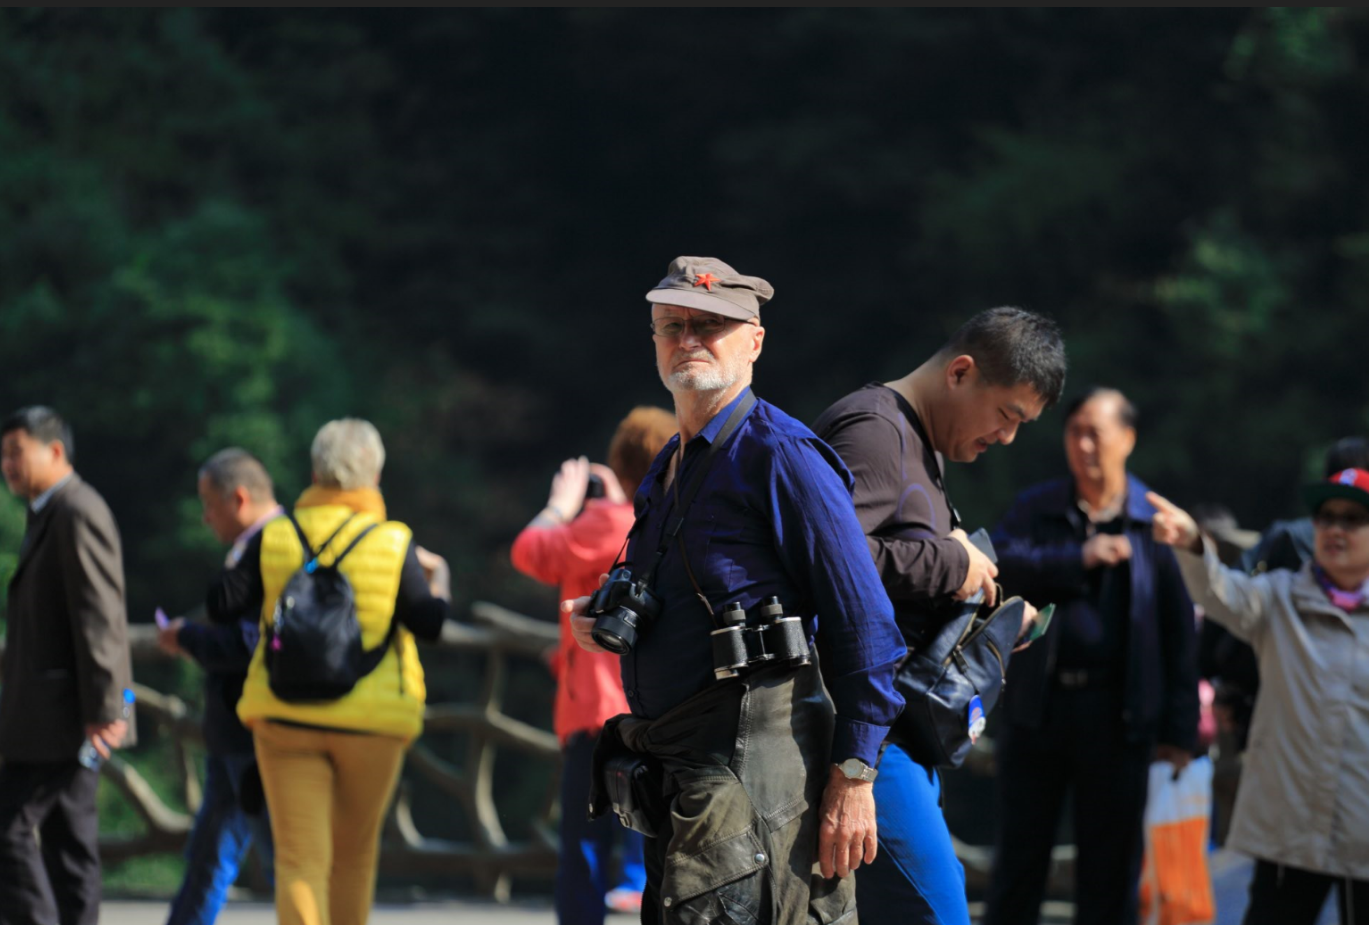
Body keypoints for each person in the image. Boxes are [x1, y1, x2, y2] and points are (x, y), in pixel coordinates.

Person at [565, 256, 907, 925]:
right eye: (672, 325)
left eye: (708, 325)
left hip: (757, 784)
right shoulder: (670, 463)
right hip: (685, 783)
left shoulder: (782, 456)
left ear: (753, 340)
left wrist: (855, 775)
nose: (687, 338)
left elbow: (865, 622)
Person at [812, 306, 1066, 924]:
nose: (1007, 436)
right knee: (940, 914)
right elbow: (818, 560)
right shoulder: (875, 432)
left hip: (898, 735)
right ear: (960, 372)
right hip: (868, 738)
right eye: (1007, 414)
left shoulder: (919, 444)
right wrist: (952, 566)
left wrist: (982, 608)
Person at [215, 418, 452, 925]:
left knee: (299, 859)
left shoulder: (275, 535)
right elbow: (429, 625)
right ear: (374, 476)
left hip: (284, 719)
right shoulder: (393, 542)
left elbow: (222, 604)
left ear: (315, 471)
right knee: (354, 857)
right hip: (373, 724)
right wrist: (441, 583)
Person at [982, 387, 1199, 925]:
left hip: (1119, 718)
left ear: (1127, 440)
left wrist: (1179, 733)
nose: (1081, 444)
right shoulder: (1040, 508)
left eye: (1094, 433)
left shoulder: (1153, 523)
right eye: (1073, 431)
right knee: (1018, 861)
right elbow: (998, 561)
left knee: (1110, 872)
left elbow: (1179, 635)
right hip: (1039, 710)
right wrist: (1078, 556)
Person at [1149, 469, 1369, 925]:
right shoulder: (1280, 598)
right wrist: (1194, 546)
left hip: (1362, 834)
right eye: (1326, 517)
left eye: (1352, 519)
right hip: (1288, 832)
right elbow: (1221, 592)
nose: (1335, 529)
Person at [510, 406, 676, 923]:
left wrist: (562, 505)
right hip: (658, 704)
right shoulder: (670, 522)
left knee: (584, 841)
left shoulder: (606, 520)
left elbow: (529, 551)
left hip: (595, 713)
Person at [0, 406, 135, 925]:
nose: (8, 465)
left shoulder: (77, 510)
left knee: (10, 828)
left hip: (67, 718)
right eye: (3, 455)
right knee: (68, 842)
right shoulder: (49, 512)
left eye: (17, 452)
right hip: (53, 716)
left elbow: (100, 615)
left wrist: (106, 708)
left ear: (54, 451)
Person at [156, 448, 281, 924]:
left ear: (239, 499)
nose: (205, 518)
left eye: (209, 504)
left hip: (256, 734)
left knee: (280, 863)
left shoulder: (271, 546)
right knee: (209, 858)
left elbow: (253, 643)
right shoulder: (258, 545)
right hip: (234, 733)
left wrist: (187, 636)